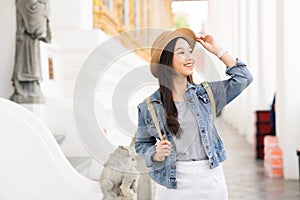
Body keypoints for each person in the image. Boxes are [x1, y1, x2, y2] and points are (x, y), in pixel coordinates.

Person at [135, 27, 253, 200]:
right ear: (166, 61)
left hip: (210, 179)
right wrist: (155, 153)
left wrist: (217, 50)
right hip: (172, 184)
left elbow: (243, 77)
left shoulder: (205, 94)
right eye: (181, 53)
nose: (190, 57)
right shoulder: (149, 106)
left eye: (190, 52)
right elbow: (142, 145)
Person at [10, 0, 51, 104]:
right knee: (24, 59)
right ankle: (23, 86)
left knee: (33, 60)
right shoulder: (24, 3)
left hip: (31, 41)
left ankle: (32, 85)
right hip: (23, 37)